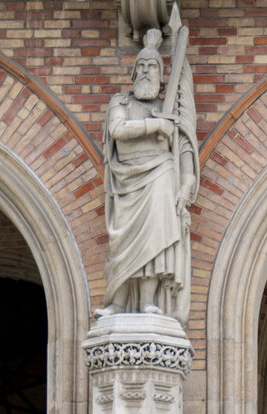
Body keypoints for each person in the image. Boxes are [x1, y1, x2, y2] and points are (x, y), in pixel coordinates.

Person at [98, 27, 198, 318]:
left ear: (161, 73)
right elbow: (117, 130)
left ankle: (147, 303)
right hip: (126, 178)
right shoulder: (122, 102)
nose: (145, 71)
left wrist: (188, 177)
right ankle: (117, 304)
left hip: (161, 174)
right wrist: (156, 126)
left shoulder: (168, 107)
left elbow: (183, 145)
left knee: (154, 240)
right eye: (140, 66)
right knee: (123, 241)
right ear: (133, 72)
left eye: (152, 66)